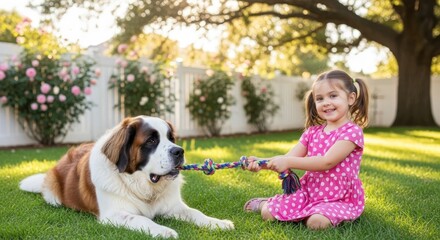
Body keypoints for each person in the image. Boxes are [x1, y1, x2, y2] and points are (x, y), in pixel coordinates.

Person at [243, 69, 369, 230]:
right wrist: (261, 163)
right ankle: (263, 204)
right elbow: (287, 158)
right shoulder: (312, 133)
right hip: (309, 193)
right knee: (268, 214)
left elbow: (326, 162)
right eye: (320, 98)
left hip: (339, 198)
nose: (326, 102)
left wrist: (286, 161)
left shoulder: (352, 132)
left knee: (316, 223)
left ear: (351, 98)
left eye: (333, 96)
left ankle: (312, 214)